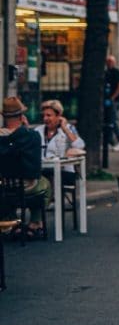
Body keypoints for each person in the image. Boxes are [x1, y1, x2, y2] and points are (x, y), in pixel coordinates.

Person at [0, 97, 50, 239]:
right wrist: (26, 129)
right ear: (22, 116)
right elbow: (35, 168)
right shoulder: (32, 137)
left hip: (3, 186)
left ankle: (10, 221)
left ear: (4, 116)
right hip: (26, 186)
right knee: (45, 184)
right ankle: (34, 223)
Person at [36, 100, 85, 176]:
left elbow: (80, 146)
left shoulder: (69, 128)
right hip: (43, 171)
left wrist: (65, 129)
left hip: (64, 172)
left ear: (58, 116)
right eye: (43, 116)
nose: (45, 118)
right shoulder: (38, 130)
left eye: (48, 115)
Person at [104, 55, 119, 152]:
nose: (109, 63)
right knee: (108, 121)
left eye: (111, 61)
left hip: (115, 100)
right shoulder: (106, 73)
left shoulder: (116, 72)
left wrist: (112, 98)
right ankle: (111, 141)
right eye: (108, 61)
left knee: (113, 120)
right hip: (108, 100)